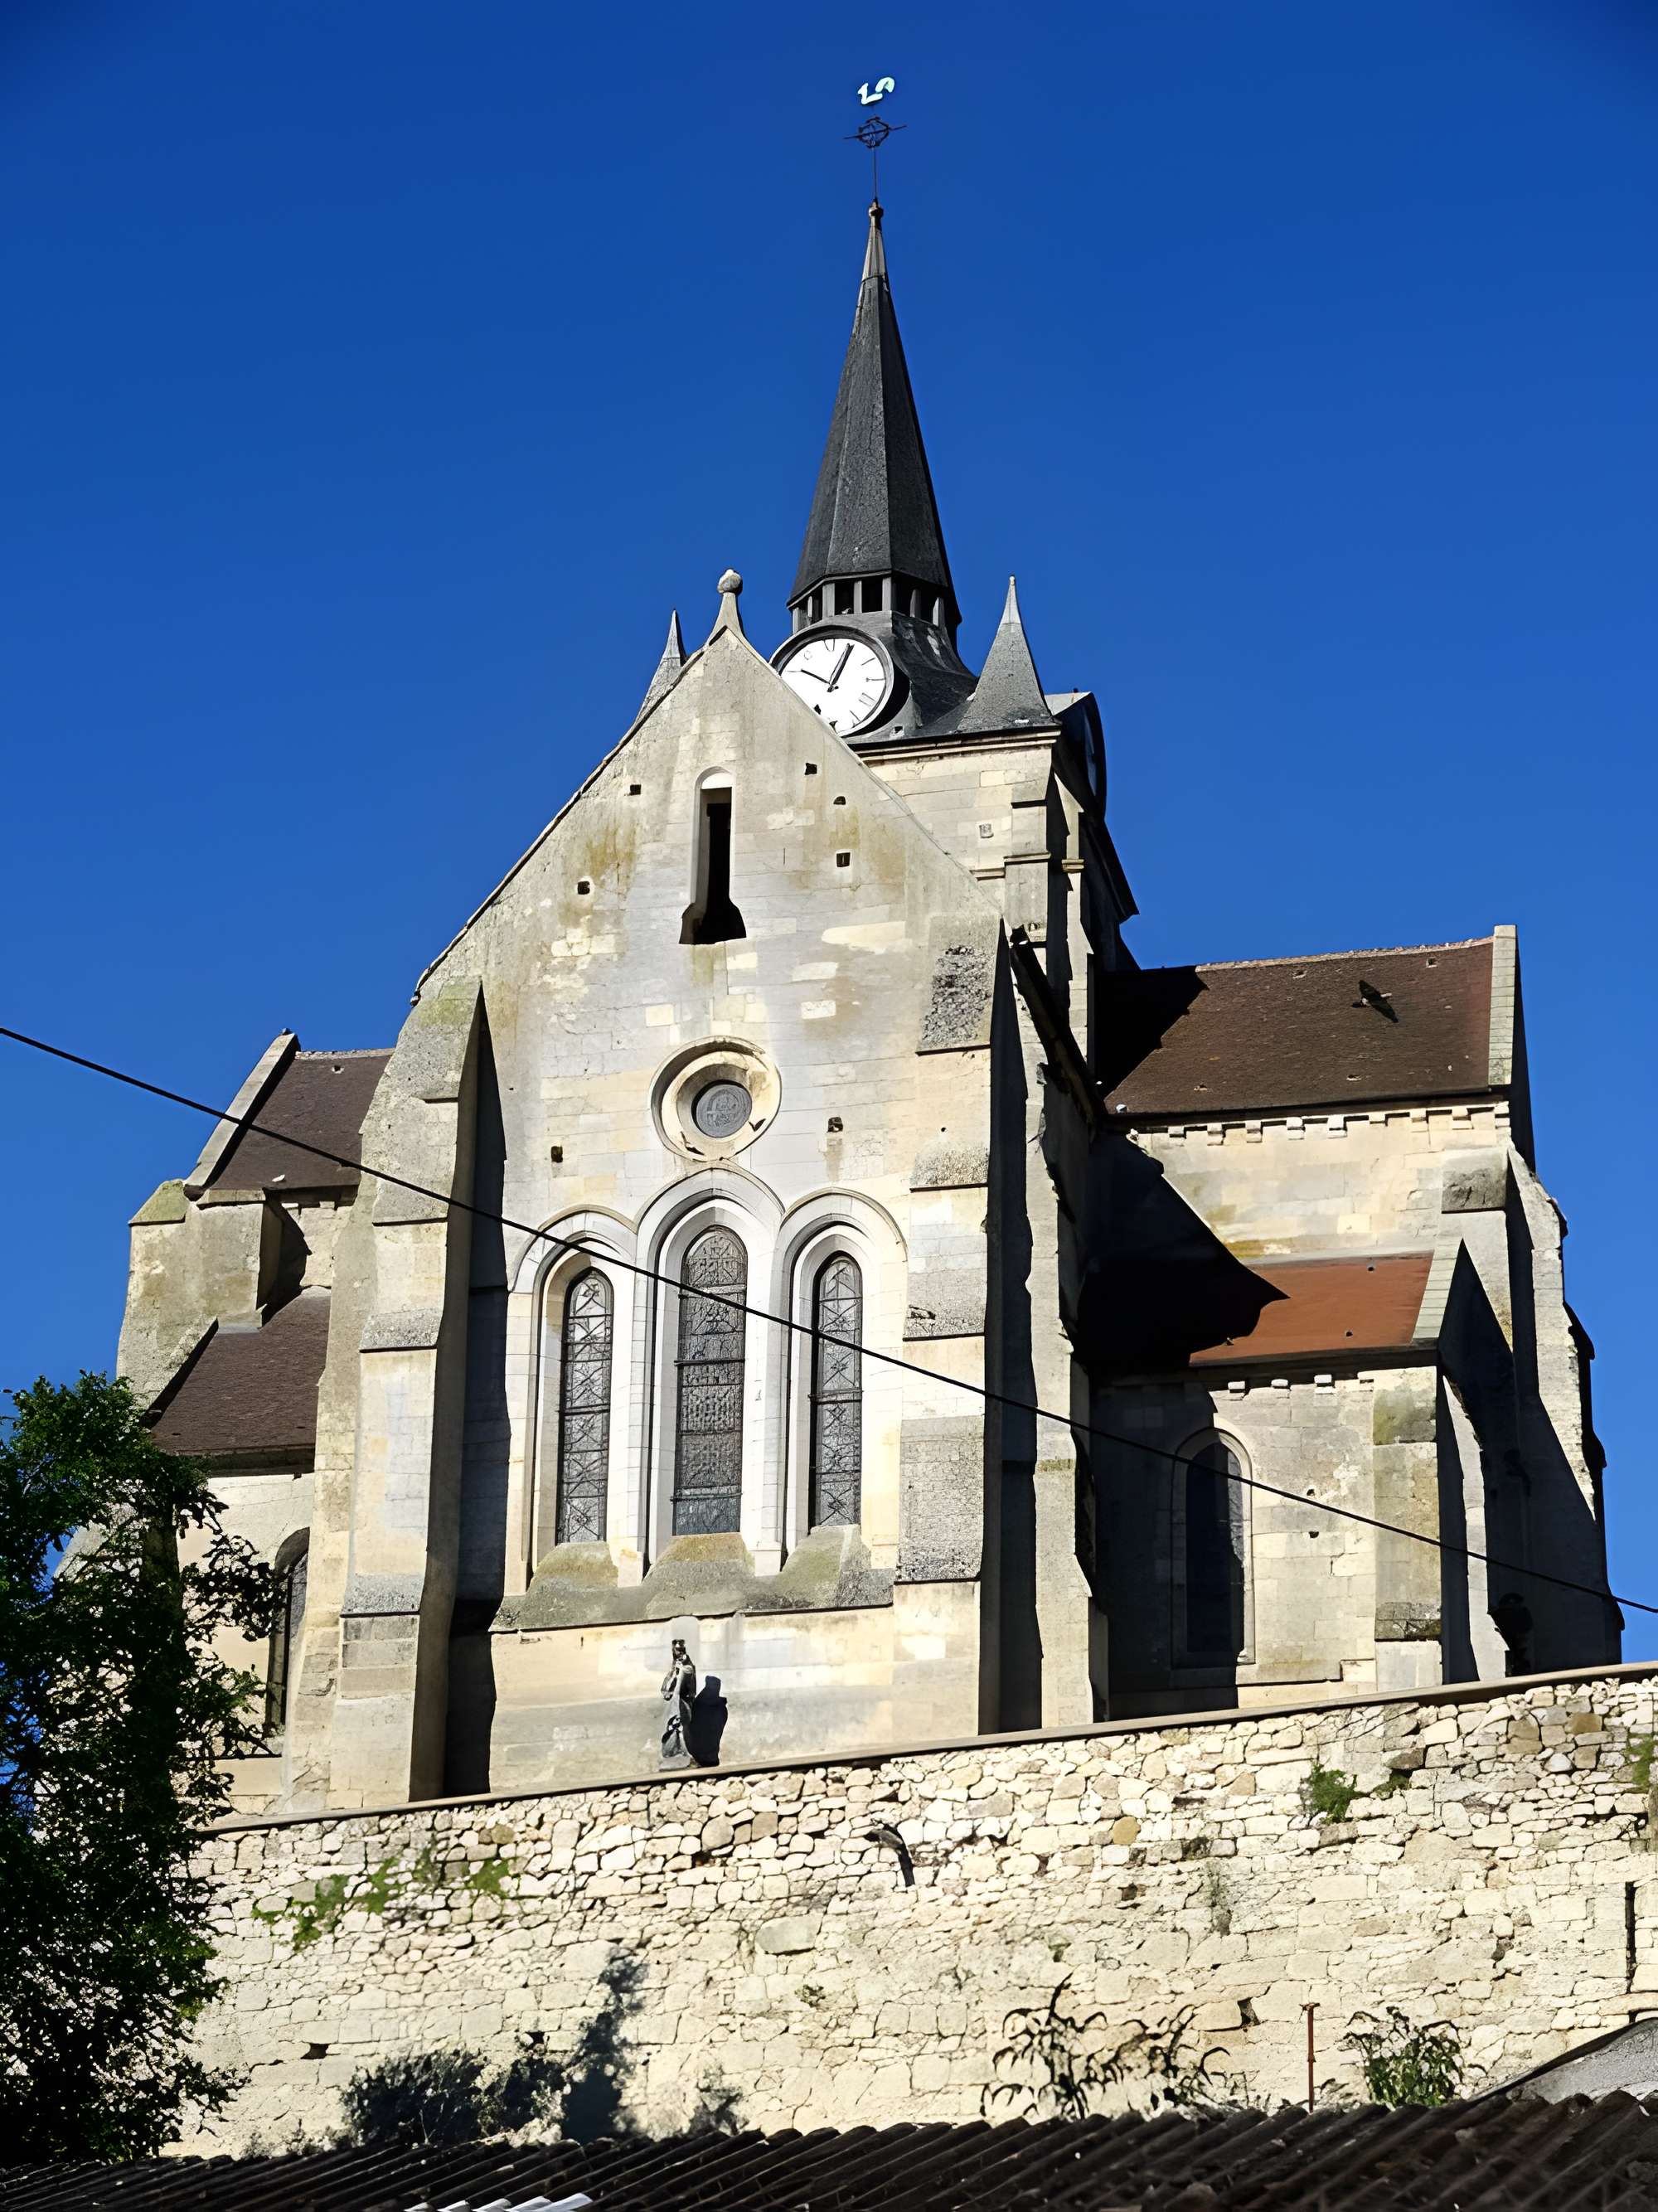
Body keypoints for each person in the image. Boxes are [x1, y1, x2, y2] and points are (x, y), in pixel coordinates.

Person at [660, 1637, 696, 1767]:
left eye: (681, 1649)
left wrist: (680, 1672)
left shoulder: (688, 1667)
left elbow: (689, 1685)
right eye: (676, 1649)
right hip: (675, 1704)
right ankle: (677, 1754)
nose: (678, 1652)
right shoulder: (674, 1667)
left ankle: (688, 1755)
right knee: (674, 1729)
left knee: (682, 1729)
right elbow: (666, 1691)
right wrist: (675, 1674)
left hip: (683, 1703)